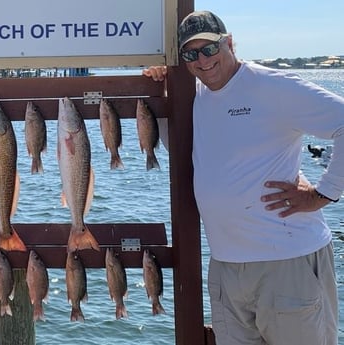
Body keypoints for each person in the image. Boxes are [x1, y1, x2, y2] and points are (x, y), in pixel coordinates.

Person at [143, 11, 342, 345]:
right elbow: (182, 148)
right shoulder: (195, 97)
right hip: (226, 268)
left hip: (287, 264)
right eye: (191, 54)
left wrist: (323, 195)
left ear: (230, 42)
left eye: (209, 49)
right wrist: (158, 88)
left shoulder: (272, 85)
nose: (202, 61)